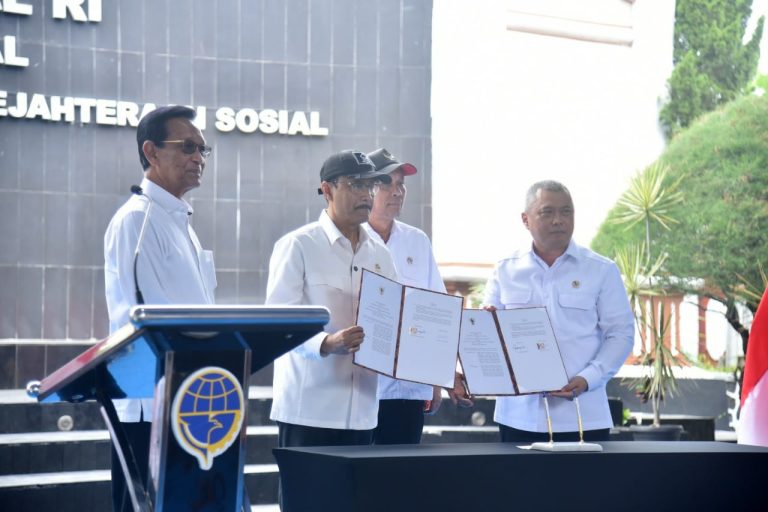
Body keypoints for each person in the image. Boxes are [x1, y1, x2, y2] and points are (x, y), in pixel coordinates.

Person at [103, 105, 216, 511]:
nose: (198, 158)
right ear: (151, 151)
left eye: (203, 149)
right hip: (151, 410)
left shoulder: (179, 222)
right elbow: (147, 322)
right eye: (188, 147)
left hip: (188, 404)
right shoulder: (138, 220)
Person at [484, 180, 634, 442]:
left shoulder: (601, 270)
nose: (558, 220)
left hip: (584, 416)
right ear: (525, 219)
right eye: (547, 212)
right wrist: (485, 328)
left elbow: (621, 335)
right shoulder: (505, 270)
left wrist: (589, 378)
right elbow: (489, 335)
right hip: (519, 416)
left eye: (566, 212)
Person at [266, 150, 397, 450]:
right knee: (305, 499)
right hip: (308, 411)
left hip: (363, 413)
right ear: (327, 189)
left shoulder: (381, 255)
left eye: (371, 186)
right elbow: (279, 323)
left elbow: (396, 320)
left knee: (355, 499)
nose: (367, 194)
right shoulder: (298, 245)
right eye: (355, 185)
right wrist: (325, 343)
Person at [362, 148, 444, 444]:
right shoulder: (350, 238)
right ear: (365, 188)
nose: (397, 192)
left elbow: (437, 309)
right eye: (387, 184)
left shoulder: (417, 241)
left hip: (410, 387)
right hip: (362, 387)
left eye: (401, 185)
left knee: (400, 478)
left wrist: (435, 379)